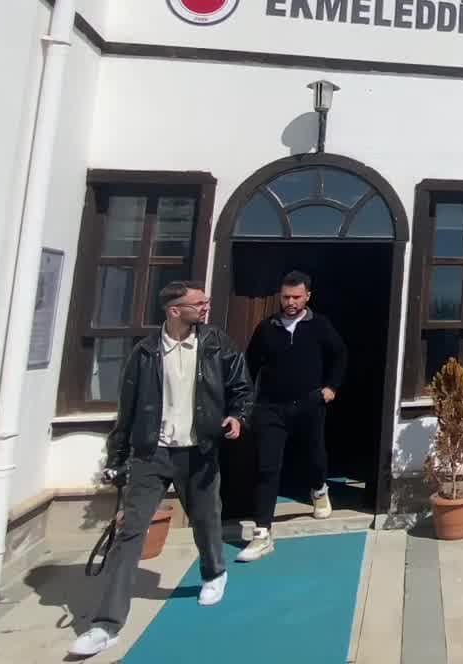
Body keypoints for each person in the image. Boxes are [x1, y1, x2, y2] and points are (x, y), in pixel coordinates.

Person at [70, 282, 249, 659]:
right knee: (129, 533)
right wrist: (116, 460)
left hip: (198, 450)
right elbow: (129, 408)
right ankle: (106, 624)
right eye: (198, 302)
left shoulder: (216, 344)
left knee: (206, 518)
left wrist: (237, 415)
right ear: (174, 310)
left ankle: (214, 573)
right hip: (152, 453)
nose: (206, 306)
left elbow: (241, 388)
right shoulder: (146, 353)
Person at [238, 270, 348, 561]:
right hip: (271, 407)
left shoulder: (320, 326)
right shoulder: (267, 328)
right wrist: (249, 401)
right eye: (286, 297)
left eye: (296, 297)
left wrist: (331, 387)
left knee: (314, 455)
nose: (290, 302)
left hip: (309, 403)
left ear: (307, 297)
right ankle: (262, 533)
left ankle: (319, 489)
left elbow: (339, 354)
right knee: (267, 467)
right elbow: (249, 365)